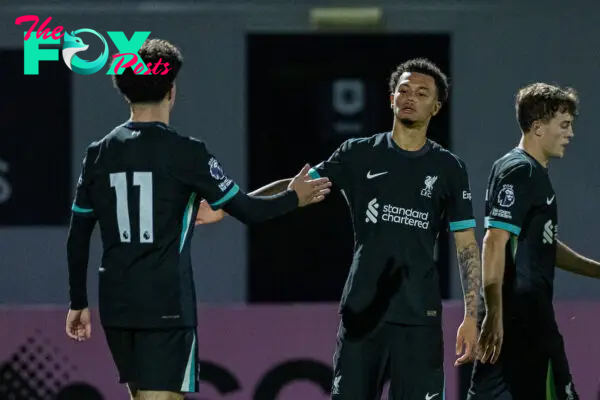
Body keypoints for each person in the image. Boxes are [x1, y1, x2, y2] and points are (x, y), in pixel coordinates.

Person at [196, 58, 482, 399]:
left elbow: (465, 243)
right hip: (363, 312)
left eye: (421, 93)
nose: (410, 97)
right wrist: (231, 205)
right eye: (403, 90)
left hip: (418, 315)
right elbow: (297, 186)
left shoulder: (449, 168)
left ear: (435, 107)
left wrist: (472, 314)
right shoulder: (358, 154)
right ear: (391, 99)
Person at [64, 38, 331, 400]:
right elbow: (248, 212)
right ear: (171, 91)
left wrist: (78, 302)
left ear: (126, 92)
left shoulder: (98, 154)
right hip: (165, 306)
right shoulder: (186, 153)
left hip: (117, 303)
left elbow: (78, 234)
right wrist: (294, 198)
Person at [469, 83, 600, 399]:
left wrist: (597, 271)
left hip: (517, 320)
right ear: (538, 128)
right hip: (524, 322)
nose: (570, 134)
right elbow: (494, 241)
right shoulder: (520, 171)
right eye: (564, 125)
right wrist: (494, 315)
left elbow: (545, 244)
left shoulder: (533, 174)